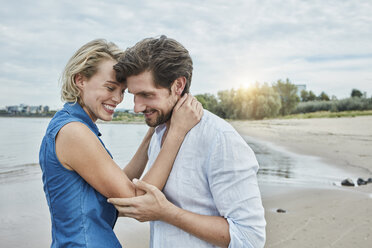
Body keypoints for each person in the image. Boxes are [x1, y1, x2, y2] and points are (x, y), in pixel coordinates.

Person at [39, 39, 202, 247]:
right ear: (80, 80)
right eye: (110, 88)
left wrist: (154, 129)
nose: (117, 98)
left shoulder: (71, 124)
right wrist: (177, 132)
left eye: (122, 91)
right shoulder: (73, 132)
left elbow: (119, 188)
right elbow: (135, 198)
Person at [109, 35, 266, 247]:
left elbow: (250, 238)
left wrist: (167, 213)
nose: (137, 107)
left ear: (178, 85)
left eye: (146, 95)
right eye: (134, 95)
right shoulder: (157, 134)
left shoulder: (219, 139)